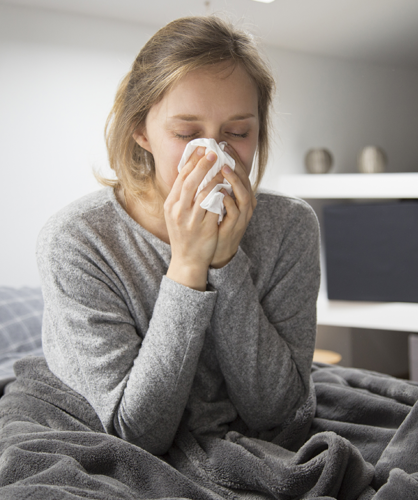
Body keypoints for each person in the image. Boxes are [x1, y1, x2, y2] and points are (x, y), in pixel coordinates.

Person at [36, 15, 321, 456]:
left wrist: (226, 265)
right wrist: (189, 266)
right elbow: (138, 434)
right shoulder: (78, 241)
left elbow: (279, 414)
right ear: (140, 130)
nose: (215, 154)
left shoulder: (289, 226)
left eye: (238, 132)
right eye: (186, 133)